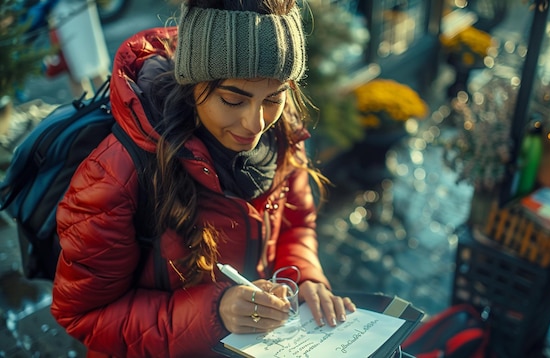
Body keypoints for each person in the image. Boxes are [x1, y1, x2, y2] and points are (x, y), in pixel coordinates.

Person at [50, 0, 356, 356]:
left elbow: (296, 223)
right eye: (232, 99)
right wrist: (214, 311)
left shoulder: (283, 135)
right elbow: (83, 315)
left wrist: (304, 276)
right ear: (192, 83)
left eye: (274, 97)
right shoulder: (115, 176)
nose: (255, 125)